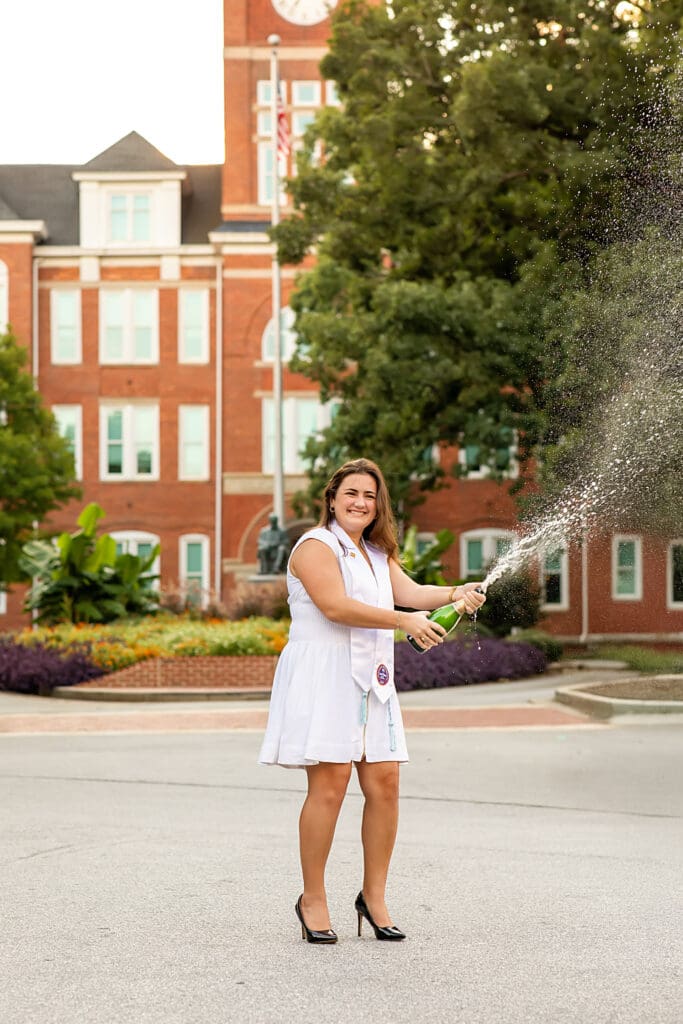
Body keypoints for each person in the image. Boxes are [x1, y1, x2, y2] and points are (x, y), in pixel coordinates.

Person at [258, 458, 485, 944]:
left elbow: (413, 593)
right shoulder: (315, 546)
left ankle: (373, 897)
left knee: (385, 783)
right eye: (351, 493)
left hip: (372, 677)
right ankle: (312, 899)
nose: (360, 502)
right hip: (326, 674)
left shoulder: (376, 553)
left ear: (379, 505)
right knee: (330, 786)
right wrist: (403, 621)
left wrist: (457, 592)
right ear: (331, 499)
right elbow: (335, 606)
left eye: (369, 495)